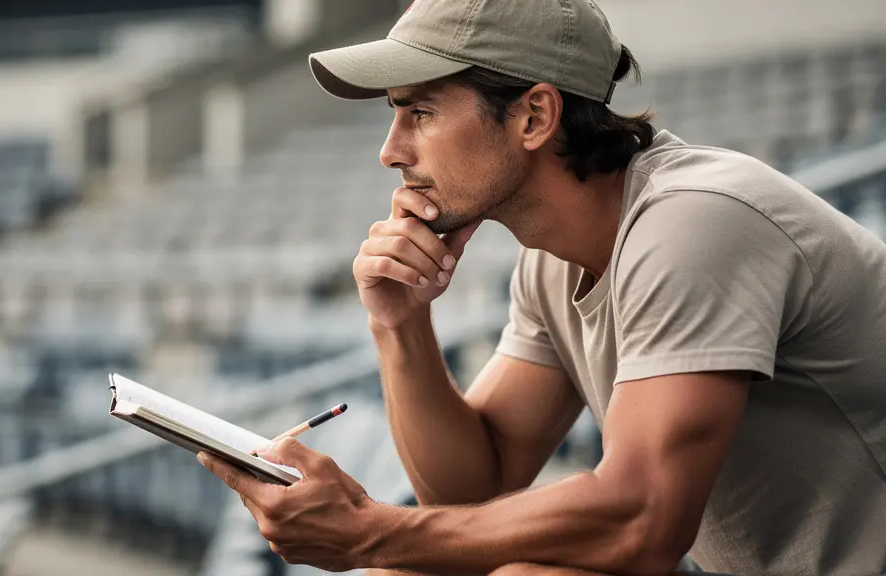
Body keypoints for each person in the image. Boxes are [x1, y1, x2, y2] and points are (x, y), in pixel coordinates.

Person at [196, 0, 886, 574]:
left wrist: (372, 532)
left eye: (421, 113)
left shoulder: (696, 222)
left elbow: (644, 519)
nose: (391, 150)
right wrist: (399, 323)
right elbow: (476, 488)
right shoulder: (552, 260)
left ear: (534, 116)